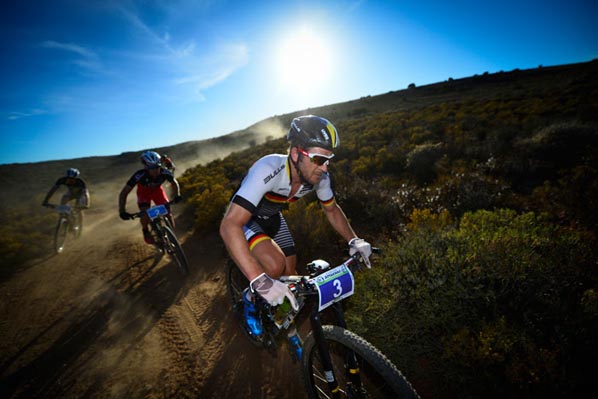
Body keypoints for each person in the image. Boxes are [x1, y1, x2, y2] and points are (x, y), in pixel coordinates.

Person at [219, 115, 372, 359]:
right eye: (319, 159)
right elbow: (229, 225)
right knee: (274, 266)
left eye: (329, 160)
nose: (324, 167)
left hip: (273, 219)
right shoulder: (269, 169)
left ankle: (288, 331)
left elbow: (331, 209)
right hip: (246, 220)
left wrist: (354, 240)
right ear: (295, 154)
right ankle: (248, 299)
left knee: (291, 278)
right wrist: (259, 280)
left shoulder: (318, 176)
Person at [118, 150, 182, 245]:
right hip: (143, 194)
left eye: (157, 167)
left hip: (157, 191)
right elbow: (124, 193)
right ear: (146, 168)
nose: (155, 171)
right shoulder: (139, 175)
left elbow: (174, 183)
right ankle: (145, 230)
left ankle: (173, 235)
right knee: (145, 213)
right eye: (151, 168)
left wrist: (177, 195)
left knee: (168, 211)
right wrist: (122, 211)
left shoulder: (164, 172)